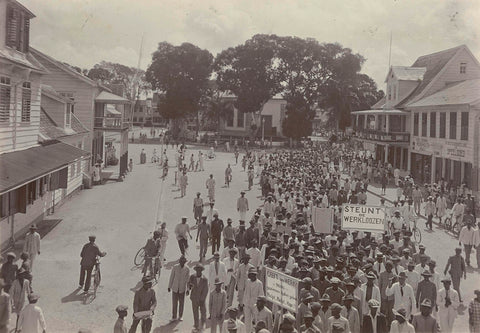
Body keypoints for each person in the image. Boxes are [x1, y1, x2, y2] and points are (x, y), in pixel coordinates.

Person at [168, 256, 190, 321]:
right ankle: (174, 316)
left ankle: (180, 316)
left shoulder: (187, 269)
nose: (182, 263)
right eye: (181, 262)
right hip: (175, 288)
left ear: (185, 262)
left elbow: (188, 280)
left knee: (181, 303)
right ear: (179, 261)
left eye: (183, 262)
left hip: (182, 289)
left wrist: (188, 289)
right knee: (174, 303)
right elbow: (172, 277)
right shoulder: (175, 267)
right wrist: (169, 286)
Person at [243, 268, 264, 333]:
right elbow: (246, 292)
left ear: (255, 275)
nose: (252, 276)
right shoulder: (247, 281)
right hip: (247, 304)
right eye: (251, 275)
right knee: (247, 320)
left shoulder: (259, 283)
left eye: (253, 275)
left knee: (256, 320)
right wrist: (244, 302)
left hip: (256, 304)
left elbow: (261, 295)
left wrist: (259, 305)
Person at [188, 264, 209, 331]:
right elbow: (189, 284)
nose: (198, 271)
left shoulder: (205, 279)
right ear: (196, 270)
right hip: (194, 298)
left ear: (202, 270)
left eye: (200, 270)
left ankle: (202, 325)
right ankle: (196, 326)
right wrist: (188, 289)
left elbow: (206, 290)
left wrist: (202, 299)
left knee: (203, 312)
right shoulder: (192, 277)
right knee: (195, 312)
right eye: (197, 270)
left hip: (201, 299)